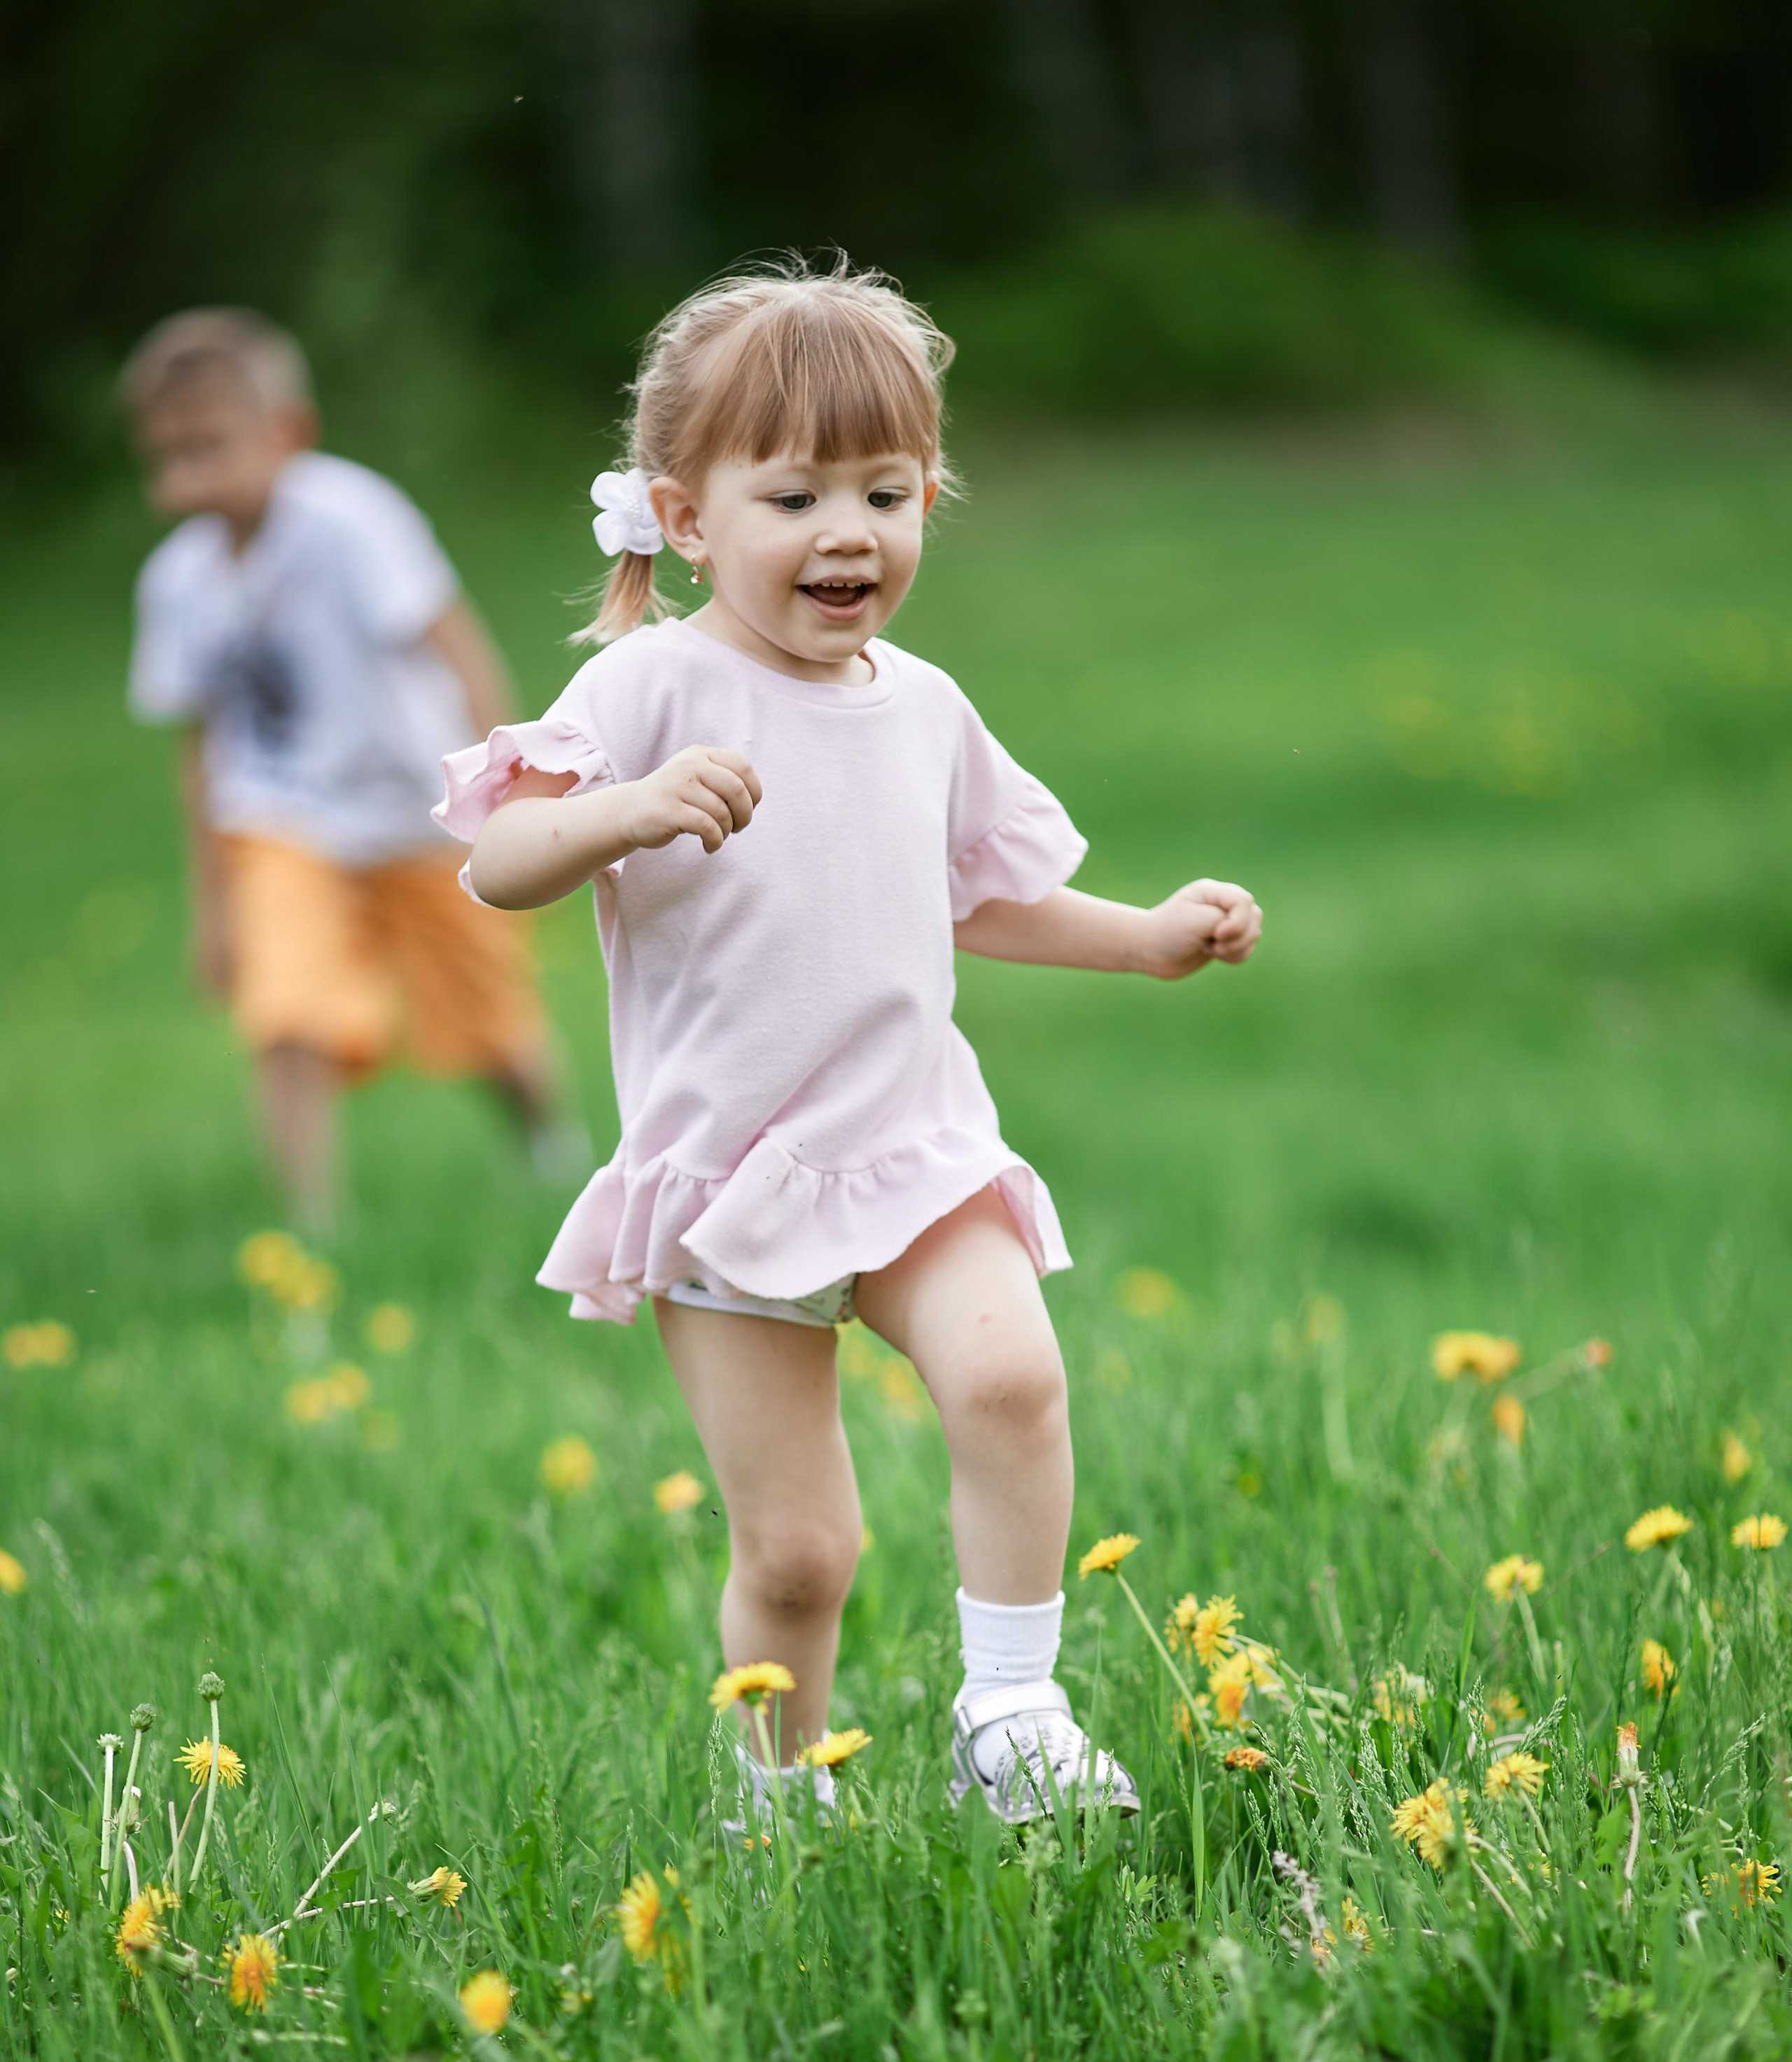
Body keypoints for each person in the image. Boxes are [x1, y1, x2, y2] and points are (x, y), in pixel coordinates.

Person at [437, 260, 1262, 1824]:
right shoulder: (649, 687)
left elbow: (987, 897)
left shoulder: (924, 705)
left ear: (928, 497)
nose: (847, 533)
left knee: (1011, 1378)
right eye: (795, 493)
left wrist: (1144, 936)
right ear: (685, 519)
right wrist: (623, 807)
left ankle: (1009, 1708)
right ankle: (775, 1804)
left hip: (910, 1143)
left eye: (886, 492)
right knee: (801, 1555)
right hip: (729, 1173)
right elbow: (498, 867)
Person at [124, 307, 570, 1227]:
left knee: (485, 1021)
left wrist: (511, 798)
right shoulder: (176, 583)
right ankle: (315, 1223)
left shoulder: (350, 519)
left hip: (421, 811)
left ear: (288, 433)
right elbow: (200, 746)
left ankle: (546, 1141)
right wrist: (214, 907)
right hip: (282, 818)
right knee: (285, 1007)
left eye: (208, 448)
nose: (184, 479)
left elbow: (461, 650)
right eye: (166, 457)